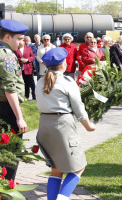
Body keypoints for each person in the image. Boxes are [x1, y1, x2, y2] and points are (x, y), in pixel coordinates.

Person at [35, 47, 96, 200]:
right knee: (78, 167)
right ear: (63, 64)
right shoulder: (67, 82)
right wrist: (88, 126)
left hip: (44, 124)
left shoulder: (40, 82)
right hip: (62, 125)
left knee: (56, 169)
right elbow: (78, 109)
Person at [0, 19, 28, 180]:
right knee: (10, 155)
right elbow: (10, 89)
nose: (22, 42)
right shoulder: (6, 56)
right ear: (7, 37)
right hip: (5, 109)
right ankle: (6, 191)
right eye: (19, 38)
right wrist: (19, 118)